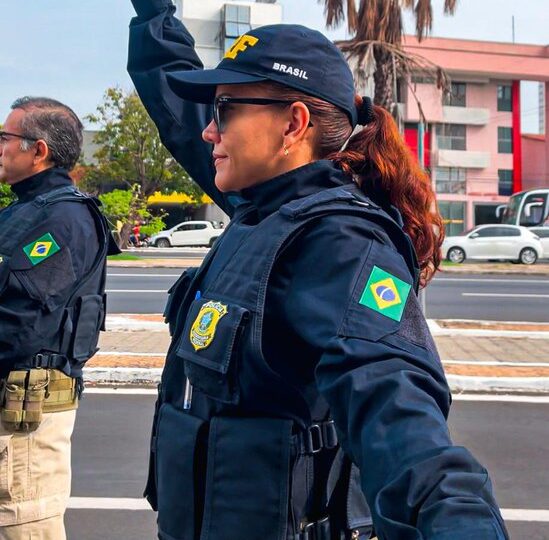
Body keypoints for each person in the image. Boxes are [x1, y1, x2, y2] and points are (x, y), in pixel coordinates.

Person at [128, 3, 509, 539]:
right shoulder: (260, 210)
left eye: (226, 110)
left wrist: (456, 522)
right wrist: (153, 14)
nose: (210, 133)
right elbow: (176, 104)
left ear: (294, 124)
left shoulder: (340, 239)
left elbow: (392, 402)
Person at [0, 97, 119, 539]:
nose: (0, 147)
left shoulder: (65, 218)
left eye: (6, 138)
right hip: (11, 413)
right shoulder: (23, 211)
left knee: (22, 524)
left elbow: (21, 321)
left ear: (39, 149)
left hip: (22, 422)